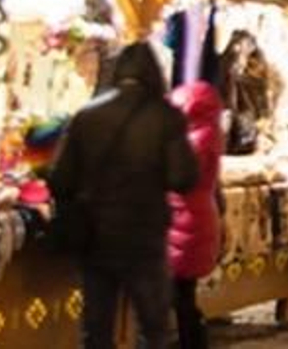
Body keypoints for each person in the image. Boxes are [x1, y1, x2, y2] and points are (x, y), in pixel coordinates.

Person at [49, 42, 199, 349]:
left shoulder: (87, 115)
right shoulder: (166, 116)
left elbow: (60, 179)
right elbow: (182, 178)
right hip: (145, 235)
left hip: (96, 235)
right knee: (153, 328)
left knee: (97, 328)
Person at [168, 82, 223, 349]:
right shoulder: (207, 135)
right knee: (182, 296)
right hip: (194, 219)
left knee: (178, 296)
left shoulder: (193, 141)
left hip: (184, 223)